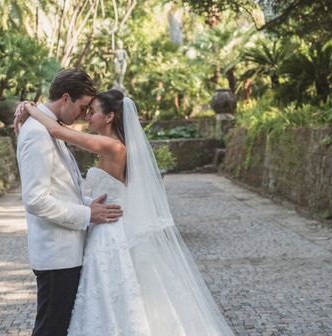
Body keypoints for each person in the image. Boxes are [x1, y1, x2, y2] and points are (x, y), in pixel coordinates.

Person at [16, 89, 234, 335]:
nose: (87, 116)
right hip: (103, 225)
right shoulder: (112, 146)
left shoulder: (113, 146)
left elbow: (57, 131)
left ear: (109, 117)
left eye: (93, 111)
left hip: (110, 231)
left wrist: (31, 109)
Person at [15, 69, 123, 336]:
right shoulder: (37, 133)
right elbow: (36, 200)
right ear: (66, 98)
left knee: (60, 327)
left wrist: (89, 203)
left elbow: (63, 187)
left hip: (69, 251)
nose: (84, 115)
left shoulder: (53, 129)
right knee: (50, 329)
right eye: (82, 106)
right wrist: (87, 215)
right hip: (56, 254)